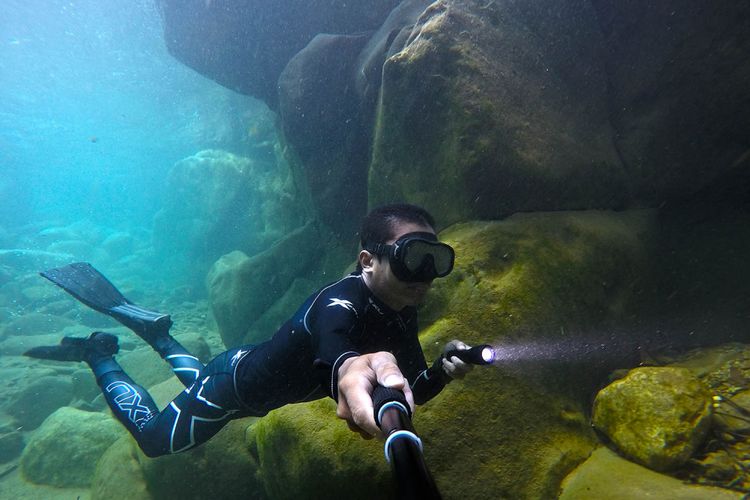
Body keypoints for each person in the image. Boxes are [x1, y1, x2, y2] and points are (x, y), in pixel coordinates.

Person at [25, 203, 473, 456]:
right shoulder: (340, 302)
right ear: (367, 260)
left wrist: (441, 372)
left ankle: (159, 335)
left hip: (238, 371)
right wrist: (350, 368)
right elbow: (338, 348)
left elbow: (410, 390)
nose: (425, 275)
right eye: (413, 257)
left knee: (206, 376)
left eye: (436, 260)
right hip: (231, 391)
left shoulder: (400, 306)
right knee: (154, 442)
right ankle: (99, 353)